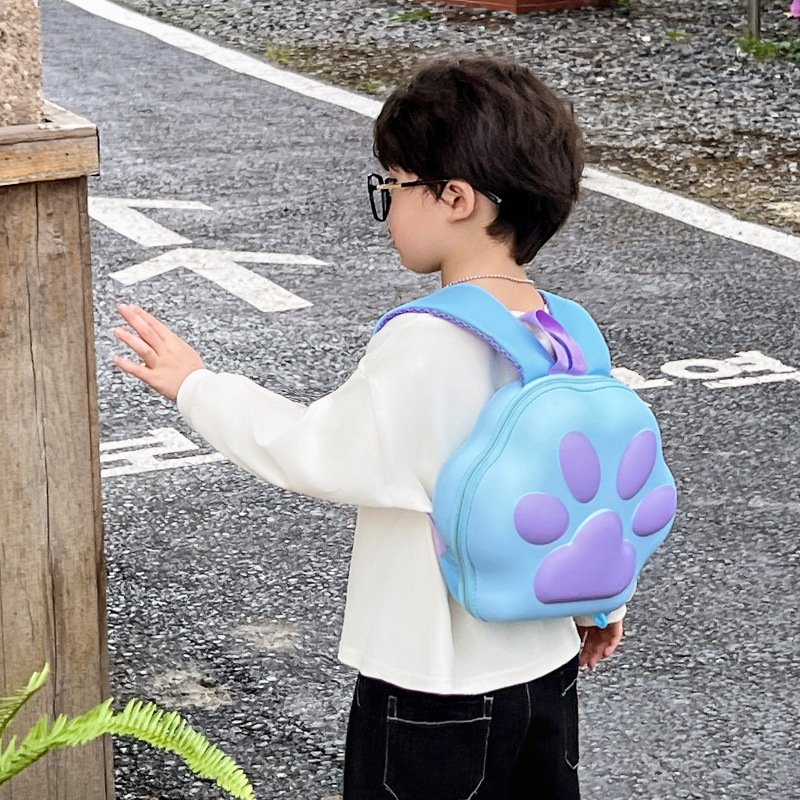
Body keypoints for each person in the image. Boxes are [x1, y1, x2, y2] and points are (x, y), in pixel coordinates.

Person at [112, 56, 625, 800]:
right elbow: (597, 489)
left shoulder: (432, 338)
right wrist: (601, 602)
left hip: (436, 682)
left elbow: (315, 451)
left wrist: (198, 386)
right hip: (546, 662)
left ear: (454, 198)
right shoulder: (567, 328)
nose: (387, 207)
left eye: (393, 186)